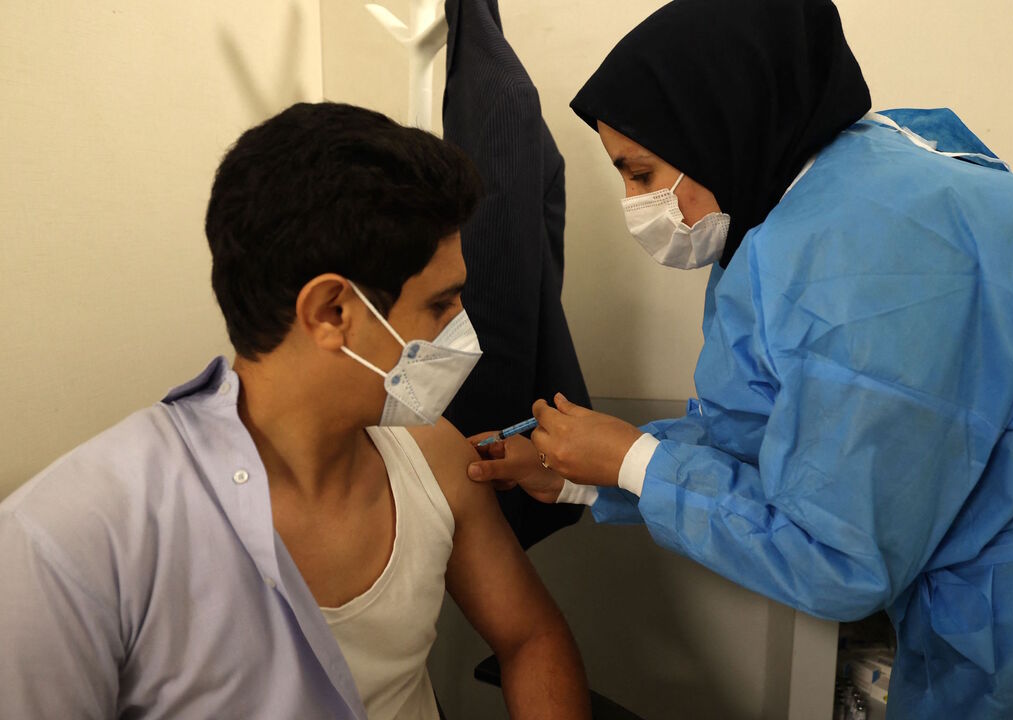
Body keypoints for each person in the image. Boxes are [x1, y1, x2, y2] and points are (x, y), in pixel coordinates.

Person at [465, 1, 1013, 718]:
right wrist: (585, 471)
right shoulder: (836, 191)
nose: (637, 206)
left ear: (717, 126)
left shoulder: (867, 257)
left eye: (640, 173)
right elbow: (784, 436)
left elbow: (835, 550)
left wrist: (638, 461)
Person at [0, 102, 590, 720]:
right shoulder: (72, 539)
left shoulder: (432, 456)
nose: (461, 330)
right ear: (332, 313)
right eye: (440, 305)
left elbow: (532, 640)